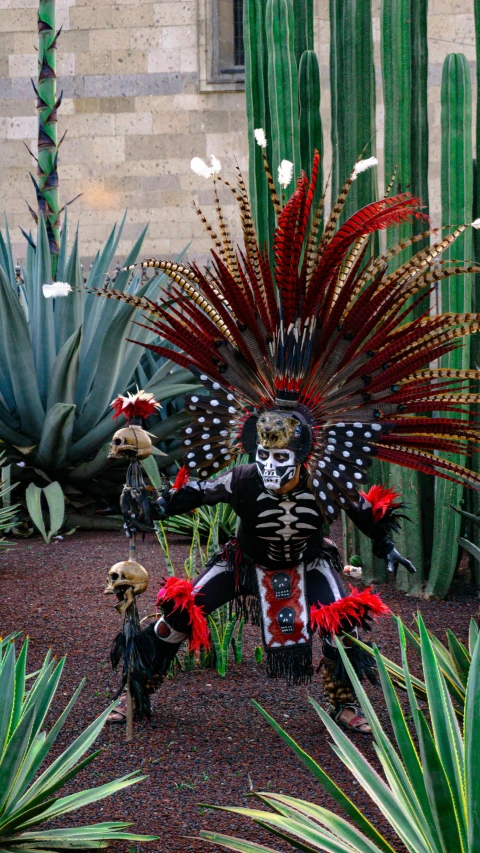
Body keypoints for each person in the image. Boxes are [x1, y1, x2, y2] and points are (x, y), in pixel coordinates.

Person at [101, 144, 480, 730]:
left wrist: (384, 545)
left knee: (346, 617)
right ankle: (138, 686)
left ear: (305, 450)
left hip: (309, 562)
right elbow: (197, 492)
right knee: (179, 610)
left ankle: (345, 700)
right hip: (247, 562)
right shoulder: (244, 477)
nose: (273, 462)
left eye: (284, 452)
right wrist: (148, 504)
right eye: (265, 450)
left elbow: (361, 510)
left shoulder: (326, 480)